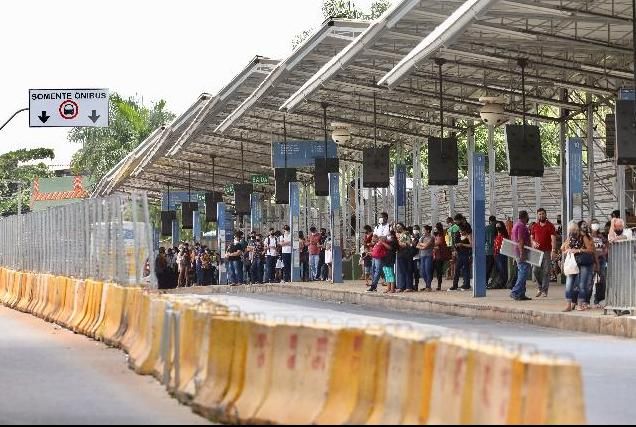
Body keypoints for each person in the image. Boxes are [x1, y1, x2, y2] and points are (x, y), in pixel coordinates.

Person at [561, 221, 595, 311]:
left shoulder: (583, 237)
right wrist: (567, 249)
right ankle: (568, 304)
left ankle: (580, 304)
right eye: (571, 230)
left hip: (583, 262)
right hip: (573, 262)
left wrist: (579, 250)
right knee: (569, 283)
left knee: (582, 284)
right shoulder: (570, 237)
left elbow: (590, 249)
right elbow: (562, 248)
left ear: (577, 229)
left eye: (575, 229)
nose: (573, 232)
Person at [530, 208, 557, 298]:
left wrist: (553, 250)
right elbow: (531, 238)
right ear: (537, 215)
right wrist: (533, 242)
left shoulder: (550, 226)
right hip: (537, 252)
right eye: (539, 214)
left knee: (546, 271)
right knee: (535, 270)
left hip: (547, 251)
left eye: (542, 214)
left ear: (545, 214)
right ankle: (540, 287)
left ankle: (544, 290)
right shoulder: (535, 226)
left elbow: (553, 239)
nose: (541, 215)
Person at [510, 210, 532, 301]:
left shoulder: (516, 225)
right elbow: (520, 240)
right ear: (525, 217)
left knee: (521, 272)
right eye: (527, 216)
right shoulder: (521, 226)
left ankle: (521, 294)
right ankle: (515, 291)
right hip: (521, 252)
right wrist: (522, 253)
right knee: (523, 273)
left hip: (516, 251)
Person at [449, 223, 472, 291]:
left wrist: (462, 244)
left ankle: (467, 284)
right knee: (457, 270)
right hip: (460, 254)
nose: (460, 232)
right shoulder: (459, 236)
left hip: (466, 254)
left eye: (461, 231)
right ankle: (455, 285)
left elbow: (471, 245)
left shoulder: (468, 236)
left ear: (465, 230)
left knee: (466, 269)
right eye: (459, 231)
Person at [591, 220, 608, 307]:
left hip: (601, 259)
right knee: (590, 280)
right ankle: (586, 300)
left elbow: (607, 245)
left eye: (596, 223)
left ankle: (599, 300)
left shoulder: (601, 236)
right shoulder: (588, 236)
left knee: (602, 280)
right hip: (592, 260)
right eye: (594, 223)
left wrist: (604, 252)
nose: (595, 225)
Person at [395, 223, 414, 292]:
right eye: (396, 227)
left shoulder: (406, 233)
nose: (397, 228)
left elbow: (409, 243)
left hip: (406, 253)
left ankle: (409, 286)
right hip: (400, 253)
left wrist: (399, 243)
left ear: (402, 227)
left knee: (407, 270)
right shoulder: (398, 235)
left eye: (399, 226)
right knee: (401, 271)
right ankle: (401, 286)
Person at [432, 222, 449, 291]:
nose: (434, 228)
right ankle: (438, 284)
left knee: (439, 270)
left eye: (435, 227)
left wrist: (431, 245)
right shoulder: (437, 235)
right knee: (437, 270)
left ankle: (439, 285)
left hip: (440, 255)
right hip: (436, 255)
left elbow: (438, 244)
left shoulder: (441, 235)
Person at [417, 225, 435, 291]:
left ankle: (428, 286)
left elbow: (427, 245)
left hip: (429, 256)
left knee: (428, 271)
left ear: (428, 230)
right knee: (422, 272)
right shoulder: (422, 237)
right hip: (422, 256)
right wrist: (423, 246)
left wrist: (421, 245)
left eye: (424, 230)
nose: (423, 231)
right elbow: (417, 245)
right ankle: (427, 285)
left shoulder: (432, 237)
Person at [382, 229, 398, 293]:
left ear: (392, 235)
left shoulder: (394, 241)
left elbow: (390, 248)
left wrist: (383, 242)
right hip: (386, 258)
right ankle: (388, 288)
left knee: (391, 273)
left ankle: (392, 288)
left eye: (389, 235)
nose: (387, 236)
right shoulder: (388, 241)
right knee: (386, 274)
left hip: (390, 259)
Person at [485, 216, 497, 286]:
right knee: (495, 268)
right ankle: (493, 281)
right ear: (495, 220)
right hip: (496, 251)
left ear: (489, 221)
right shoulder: (496, 228)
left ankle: (485, 281)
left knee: (487, 267)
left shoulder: (486, 228)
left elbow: (483, 240)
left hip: (487, 251)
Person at [411, 226, 421, 291]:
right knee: (411, 272)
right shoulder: (411, 237)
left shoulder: (419, 238)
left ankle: (416, 285)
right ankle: (411, 285)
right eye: (414, 229)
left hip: (417, 257)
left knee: (416, 272)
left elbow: (416, 246)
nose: (415, 230)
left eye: (416, 229)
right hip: (410, 257)